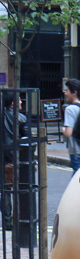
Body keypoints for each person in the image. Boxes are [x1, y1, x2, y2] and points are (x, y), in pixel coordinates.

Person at [2, 92, 28, 230]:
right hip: (17, 159)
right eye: (19, 100)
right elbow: (28, 140)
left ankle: (7, 222)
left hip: (3, 159)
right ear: (12, 103)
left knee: (5, 190)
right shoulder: (21, 118)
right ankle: (20, 220)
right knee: (21, 189)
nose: (21, 103)